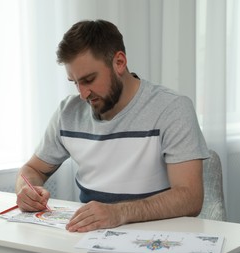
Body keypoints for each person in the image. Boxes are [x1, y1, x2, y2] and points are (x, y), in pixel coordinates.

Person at [15, 19, 209, 233]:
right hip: (90, 240)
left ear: (119, 62)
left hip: (157, 240)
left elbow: (190, 198)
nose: (82, 94)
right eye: (75, 82)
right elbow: (32, 170)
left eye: (89, 79)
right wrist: (26, 189)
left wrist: (119, 213)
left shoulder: (172, 108)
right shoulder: (68, 113)